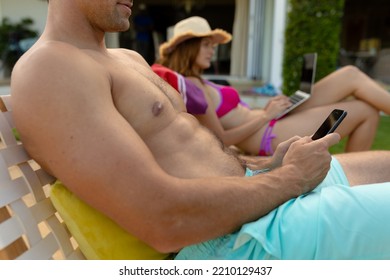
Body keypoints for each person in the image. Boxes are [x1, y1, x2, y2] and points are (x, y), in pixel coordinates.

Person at [10, 0, 390, 260]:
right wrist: (291, 178)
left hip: (254, 198)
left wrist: (265, 164)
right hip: (234, 244)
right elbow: (163, 220)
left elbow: (194, 154)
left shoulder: (126, 59)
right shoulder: (51, 67)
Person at [157, 16, 390, 156]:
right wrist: (264, 116)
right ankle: (351, 176)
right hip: (269, 134)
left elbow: (236, 115)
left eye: (212, 45)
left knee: (349, 74)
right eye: (206, 45)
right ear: (188, 48)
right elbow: (221, 140)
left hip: (271, 121)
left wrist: (268, 110)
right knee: (365, 110)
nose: (212, 50)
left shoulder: (200, 81)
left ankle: (350, 176)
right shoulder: (190, 86)